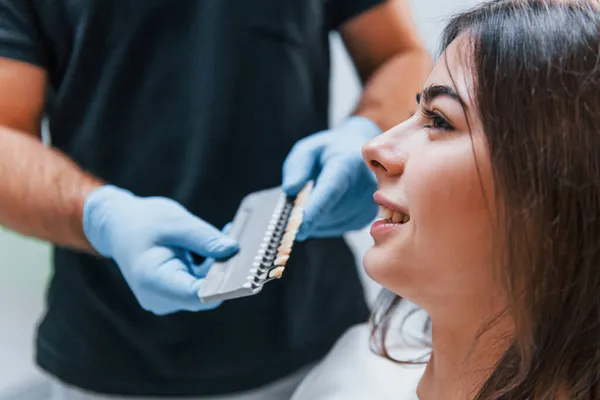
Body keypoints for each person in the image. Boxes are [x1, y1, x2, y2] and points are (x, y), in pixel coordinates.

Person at [0, 0, 432, 399]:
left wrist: (368, 129)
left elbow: (399, 54)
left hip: (320, 343)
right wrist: (101, 217)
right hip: (113, 356)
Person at [291, 0, 600, 399]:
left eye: (439, 120)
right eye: (418, 111)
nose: (374, 147)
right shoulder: (349, 378)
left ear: (562, 188)